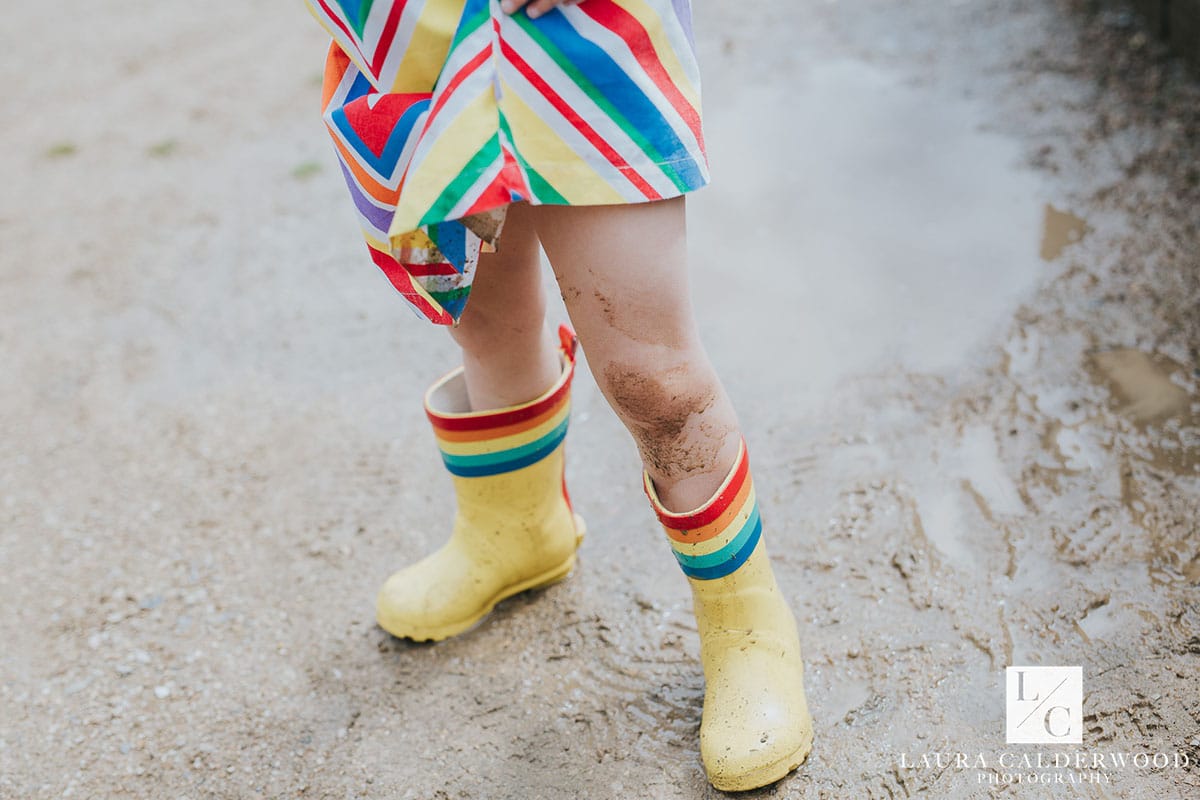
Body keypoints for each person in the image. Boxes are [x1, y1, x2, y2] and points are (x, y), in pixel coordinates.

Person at [304, 0, 814, 790]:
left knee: (656, 380)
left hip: (574, 29)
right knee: (486, 321)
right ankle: (517, 531)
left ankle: (747, 622)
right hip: (411, 33)